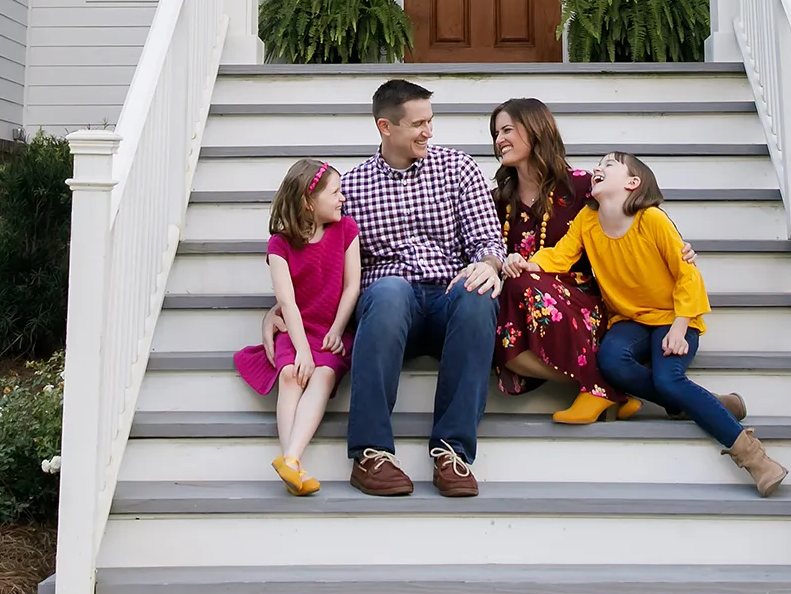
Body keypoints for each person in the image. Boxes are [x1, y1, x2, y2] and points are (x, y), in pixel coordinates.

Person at [507, 151, 788, 496]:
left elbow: (688, 276)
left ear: (632, 182)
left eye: (609, 165)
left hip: (674, 317)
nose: (598, 168)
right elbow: (560, 256)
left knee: (669, 379)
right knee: (610, 362)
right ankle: (708, 402)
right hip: (630, 320)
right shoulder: (587, 220)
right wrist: (529, 264)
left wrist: (681, 327)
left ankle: (756, 459)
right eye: (599, 165)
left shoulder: (651, 219)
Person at [339, 78, 504, 498]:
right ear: (385, 127)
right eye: (418, 124)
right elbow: (323, 257)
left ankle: (452, 453)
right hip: (393, 311)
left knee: (477, 294)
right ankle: (370, 453)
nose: (429, 131)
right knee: (390, 290)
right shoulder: (352, 187)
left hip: (449, 297)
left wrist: (488, 265)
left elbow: (487, 241)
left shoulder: (458, 169)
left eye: (430, 121)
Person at [490, 97, 641, 424]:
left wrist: (678, 248)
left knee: (519, 285)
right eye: (495, 133)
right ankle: (606, 388)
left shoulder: (584, 186)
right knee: (496, 336)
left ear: (535, 129)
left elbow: (637, 221)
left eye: (507, 130)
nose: (499, 140)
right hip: (520, 305)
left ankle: (607, 389)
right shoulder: (499, 199)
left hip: (582, 302)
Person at [233, 160, 360, 496]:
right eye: (335, 193)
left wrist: (337, 328)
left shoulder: (347, 229)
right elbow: (287, 302)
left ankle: (290, 459)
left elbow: (352, 286)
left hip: (332, 329)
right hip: (296, 328)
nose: (342, 198)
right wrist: (302, 348)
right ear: (308, 201)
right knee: (290, 374)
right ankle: (293, 465)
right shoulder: (280, 245)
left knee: (322, 374)